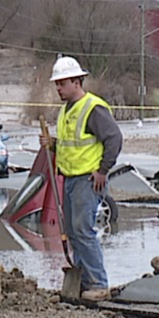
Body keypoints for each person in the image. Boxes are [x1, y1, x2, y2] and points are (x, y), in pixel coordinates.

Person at [46, 56, 122, 303]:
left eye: (62, 83)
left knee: (82, 230)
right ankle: (83, 281)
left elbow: (114, 139)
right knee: (73, 232)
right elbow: (74, 144)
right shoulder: (66, 110)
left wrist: (102, 171)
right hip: (69, 178)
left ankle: (99, 284)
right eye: (56, 84)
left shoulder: (93, 108)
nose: (58, 88)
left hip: (88, 180)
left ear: (77, 82)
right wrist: (53, 145)